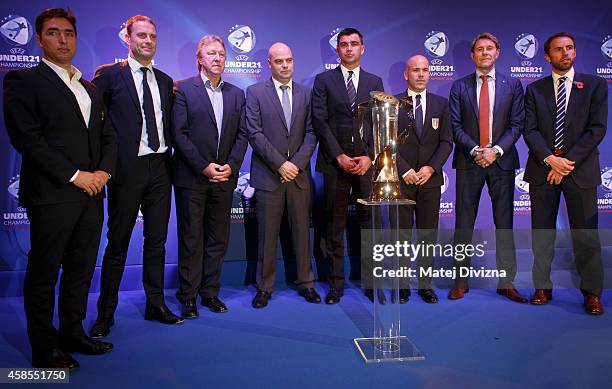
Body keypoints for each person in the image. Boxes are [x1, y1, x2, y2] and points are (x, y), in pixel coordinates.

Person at [3, 8, 116, 368]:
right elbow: (28, 139)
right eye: (53, 33)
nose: (62, 39)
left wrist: (102, 174)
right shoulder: (23, 80)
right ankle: (43, 347)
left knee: (82, 269)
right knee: (44, 272)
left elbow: (110, 138)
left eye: (68, 32)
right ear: (40, 39)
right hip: (53, 195)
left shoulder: (90, 87)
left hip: (93, 193)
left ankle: (72, 332)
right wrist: (75, 176)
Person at [89, 15, 182, 339]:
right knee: (117, 243)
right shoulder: (110, 76)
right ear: (127, 38)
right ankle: (105, 314)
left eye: (152, 36)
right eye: (141, 36)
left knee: (156, 241)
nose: (147, 41)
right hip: (126, 170)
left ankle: (155, 304)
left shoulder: (165, 79)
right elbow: (95, 125)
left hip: (160, 168)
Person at [523, 32, 607, 315]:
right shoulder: (535, 89)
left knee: (586, 235)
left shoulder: (595, 85)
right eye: (558, 50)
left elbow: (597, 129)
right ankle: (542, 287)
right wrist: (550, 160)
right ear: (547, 57)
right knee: (542, 234)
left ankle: (592, 293)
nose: (565, 53)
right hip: (543, 171)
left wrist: (566, 162)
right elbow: (530, 130)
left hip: (579, 171)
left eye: (569, 48)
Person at [172, 35, 248, 317]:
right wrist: (203, 166)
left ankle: (210, 293)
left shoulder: (237, 94)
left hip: (225, 178)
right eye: (211, 54)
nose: (217, 58)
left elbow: (243, 135)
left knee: (218, 239)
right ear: (200, 59)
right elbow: (178, 134)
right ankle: (188, 296)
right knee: (191, 239)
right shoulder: (183, 90)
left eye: (221, 54)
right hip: (192, 178)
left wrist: (232, 165)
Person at [449, 32, 526, 302]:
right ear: (472, 56)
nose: (484, 53)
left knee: (504, 223)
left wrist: (494, 151)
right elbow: (455, 126)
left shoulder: (513, 85)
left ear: (498, 53)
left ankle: (507, 282)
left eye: (489, 48)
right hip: (469, 161)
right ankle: (460, 281)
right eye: (479, 49)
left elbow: (517, 124)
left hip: (501, 162)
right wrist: (475, 150)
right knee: (464, 224)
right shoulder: (459, 86)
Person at [312, 27, 384, 304]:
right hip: (335, 164)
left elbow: (379, 125)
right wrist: (338, 155)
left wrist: (369, 157)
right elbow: (319, 120)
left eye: (354, 44)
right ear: (337, 49)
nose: (349, 48)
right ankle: (335, 284)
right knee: (334, 224)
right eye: (344, 44)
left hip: (366, 164)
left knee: (370, 225)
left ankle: (370, 281)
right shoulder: (324, 80)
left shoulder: (374, 80)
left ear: (362, 48)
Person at [246, 42, 319, 308]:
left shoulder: (306, 94)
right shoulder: (254, 93)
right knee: (267, 237)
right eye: (279, 61)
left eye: (289, 60)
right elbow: (254, 133)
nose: (285, 65)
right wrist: (280, 164)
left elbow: (312, 133)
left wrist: (296, 164)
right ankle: (264, 287)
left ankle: (306, 283)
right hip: (269, 176)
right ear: (269, 63)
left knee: (302, 233)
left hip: (298, 177)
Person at [394, 54, 453, 304]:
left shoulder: (441, 104)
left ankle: (426, 284)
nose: (420, 74)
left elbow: (446, 142)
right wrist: (405, 170)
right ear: (406, 74)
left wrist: (430, 168)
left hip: (430, 180)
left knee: (428, 233)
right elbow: (387, 143)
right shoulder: (393, 103)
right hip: (403, 179)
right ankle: (403, 284)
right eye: (415, 70)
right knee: (403, 234)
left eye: (425, 70)